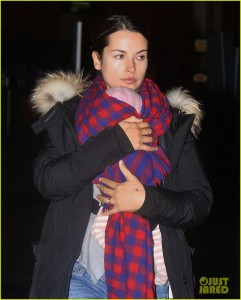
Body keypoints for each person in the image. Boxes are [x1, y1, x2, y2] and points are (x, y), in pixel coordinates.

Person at [29, 15, 212, 299]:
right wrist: (114, 142)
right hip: (79, 274)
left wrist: (146, 201)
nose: (131, 67)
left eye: (140, 57)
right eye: (119, 56)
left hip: (154, 280)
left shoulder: (171, 123)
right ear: (97, 59)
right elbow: (48, 181)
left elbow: (199, 202)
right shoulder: (70, 115)